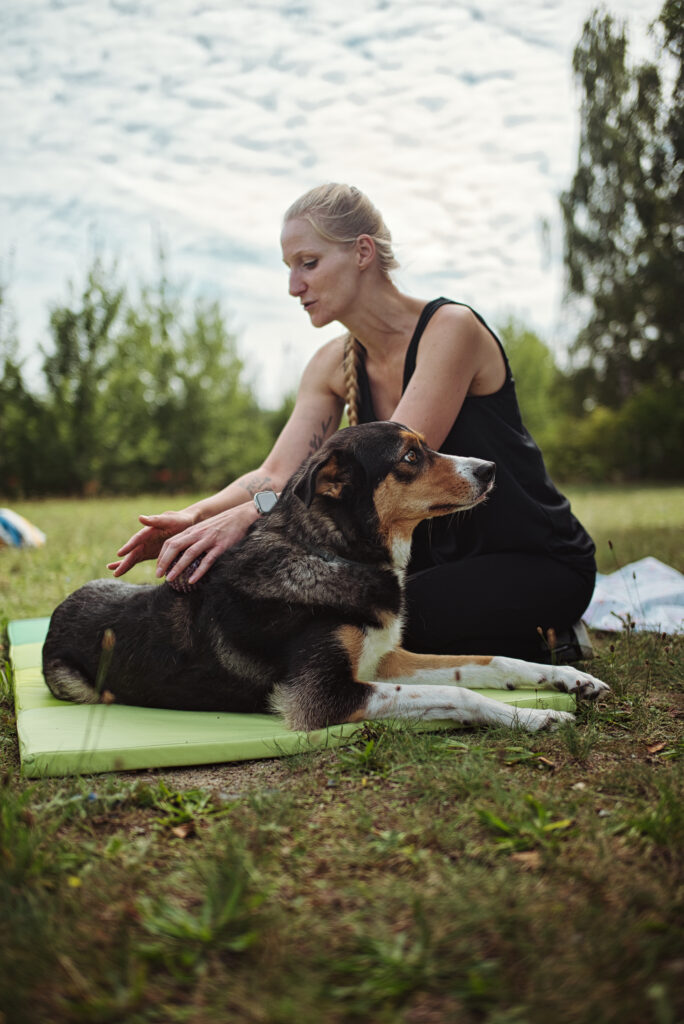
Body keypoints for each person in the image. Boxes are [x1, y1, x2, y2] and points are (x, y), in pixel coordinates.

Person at [109, 183, 596, 663]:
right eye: (289, 268)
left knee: (383, 619)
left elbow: (388, 468)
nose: (293, 286)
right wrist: (197, 517)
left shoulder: (451, 330)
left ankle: (550, 634)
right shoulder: (329, 365)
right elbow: (275, 475)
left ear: (362, 252)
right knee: (315, 607)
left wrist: (249, 516)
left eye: (309, 263)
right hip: (430, 563)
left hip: (535, 561)